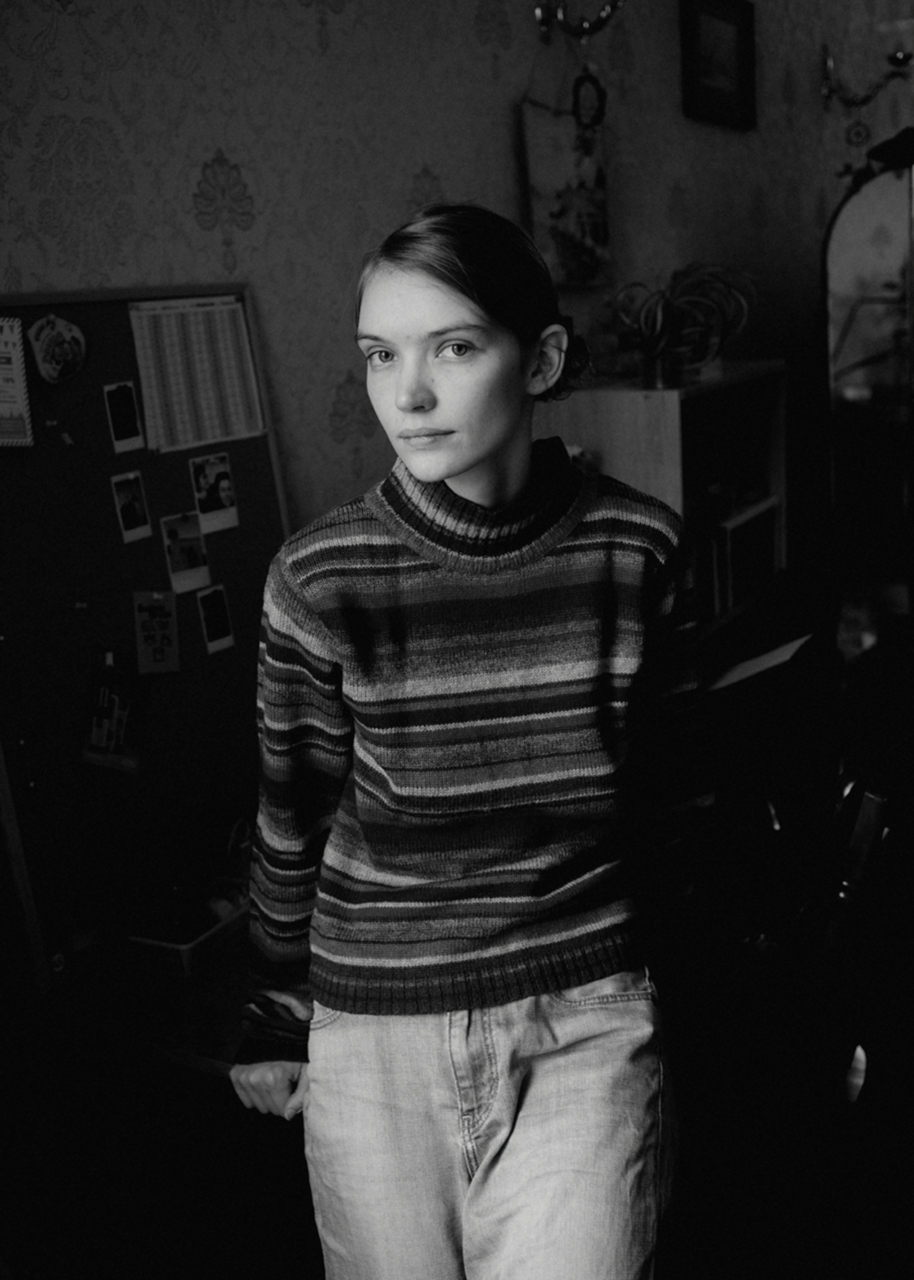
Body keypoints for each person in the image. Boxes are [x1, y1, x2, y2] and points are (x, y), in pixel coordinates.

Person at [230, 203, 693, 1280]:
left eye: (453, 346)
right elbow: (291, 809)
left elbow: (673, 804)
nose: (410, 392)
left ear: (540, 360)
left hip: (583, 1012)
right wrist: (268, 1006)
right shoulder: (318, 577)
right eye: (380, 354)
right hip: (372, 1028)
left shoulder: (636, 549)